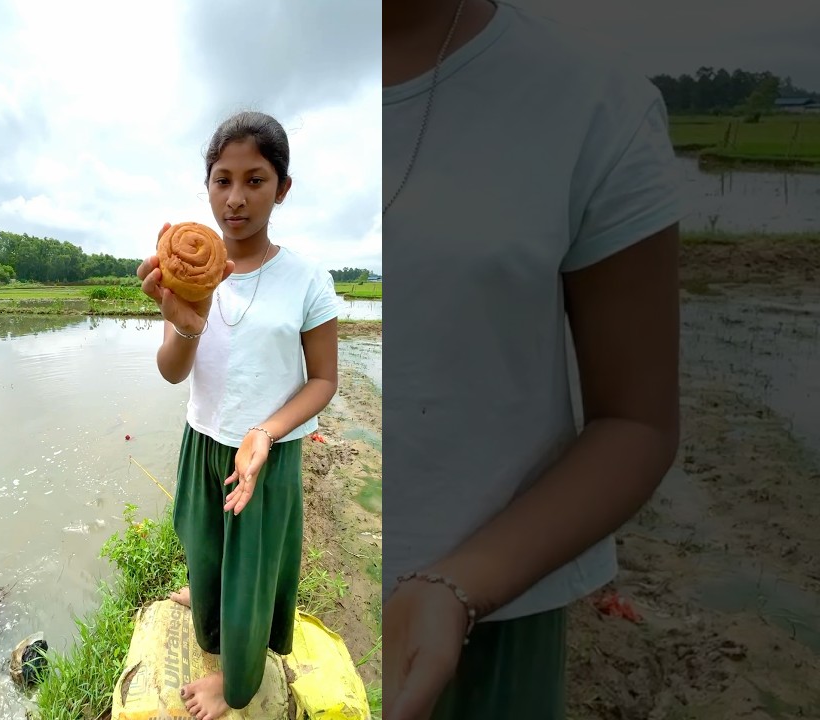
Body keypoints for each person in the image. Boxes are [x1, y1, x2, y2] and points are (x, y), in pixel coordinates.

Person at [383, 1, 683, 718]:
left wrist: (458, 587)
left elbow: (635, 422)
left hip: (485, 628)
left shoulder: (592, 103)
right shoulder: (258, 119)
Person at [135, 110, 341, 720]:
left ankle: (236, 683)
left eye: (255, 180)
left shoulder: (306, 279)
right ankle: (206, 605)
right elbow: (173, 371)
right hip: (202, 443)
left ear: (283, 188)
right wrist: (186, 323)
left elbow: (324, 380)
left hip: (263, 457)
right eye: (222, 179)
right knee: (203, 549)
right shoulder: (190, 273)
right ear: (207, 185)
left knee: (250, 577)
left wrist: (266, 432)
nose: (236, 198)